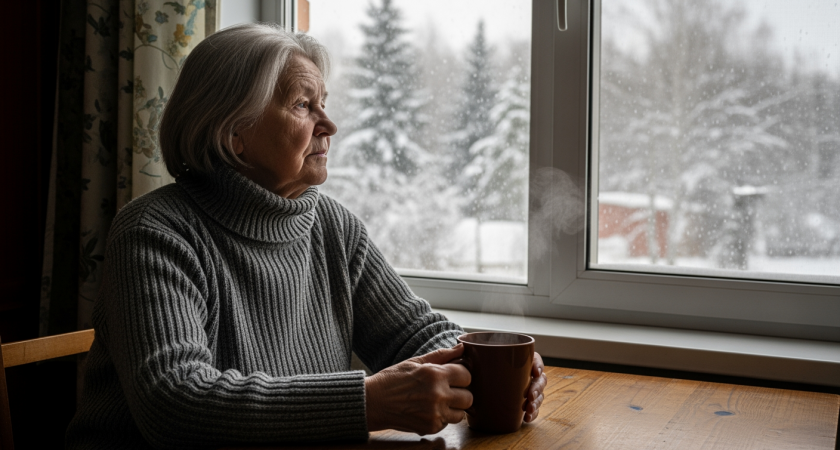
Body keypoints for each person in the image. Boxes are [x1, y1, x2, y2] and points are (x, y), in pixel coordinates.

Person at [65, 23, 546, 449]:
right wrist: (368, 402)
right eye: (302, 105)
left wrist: (491, 364)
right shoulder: (155, 233)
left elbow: (413, 333)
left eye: (324, 104)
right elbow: (175, 404)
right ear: (234, 133)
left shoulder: (333, 226)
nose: (330, 125)